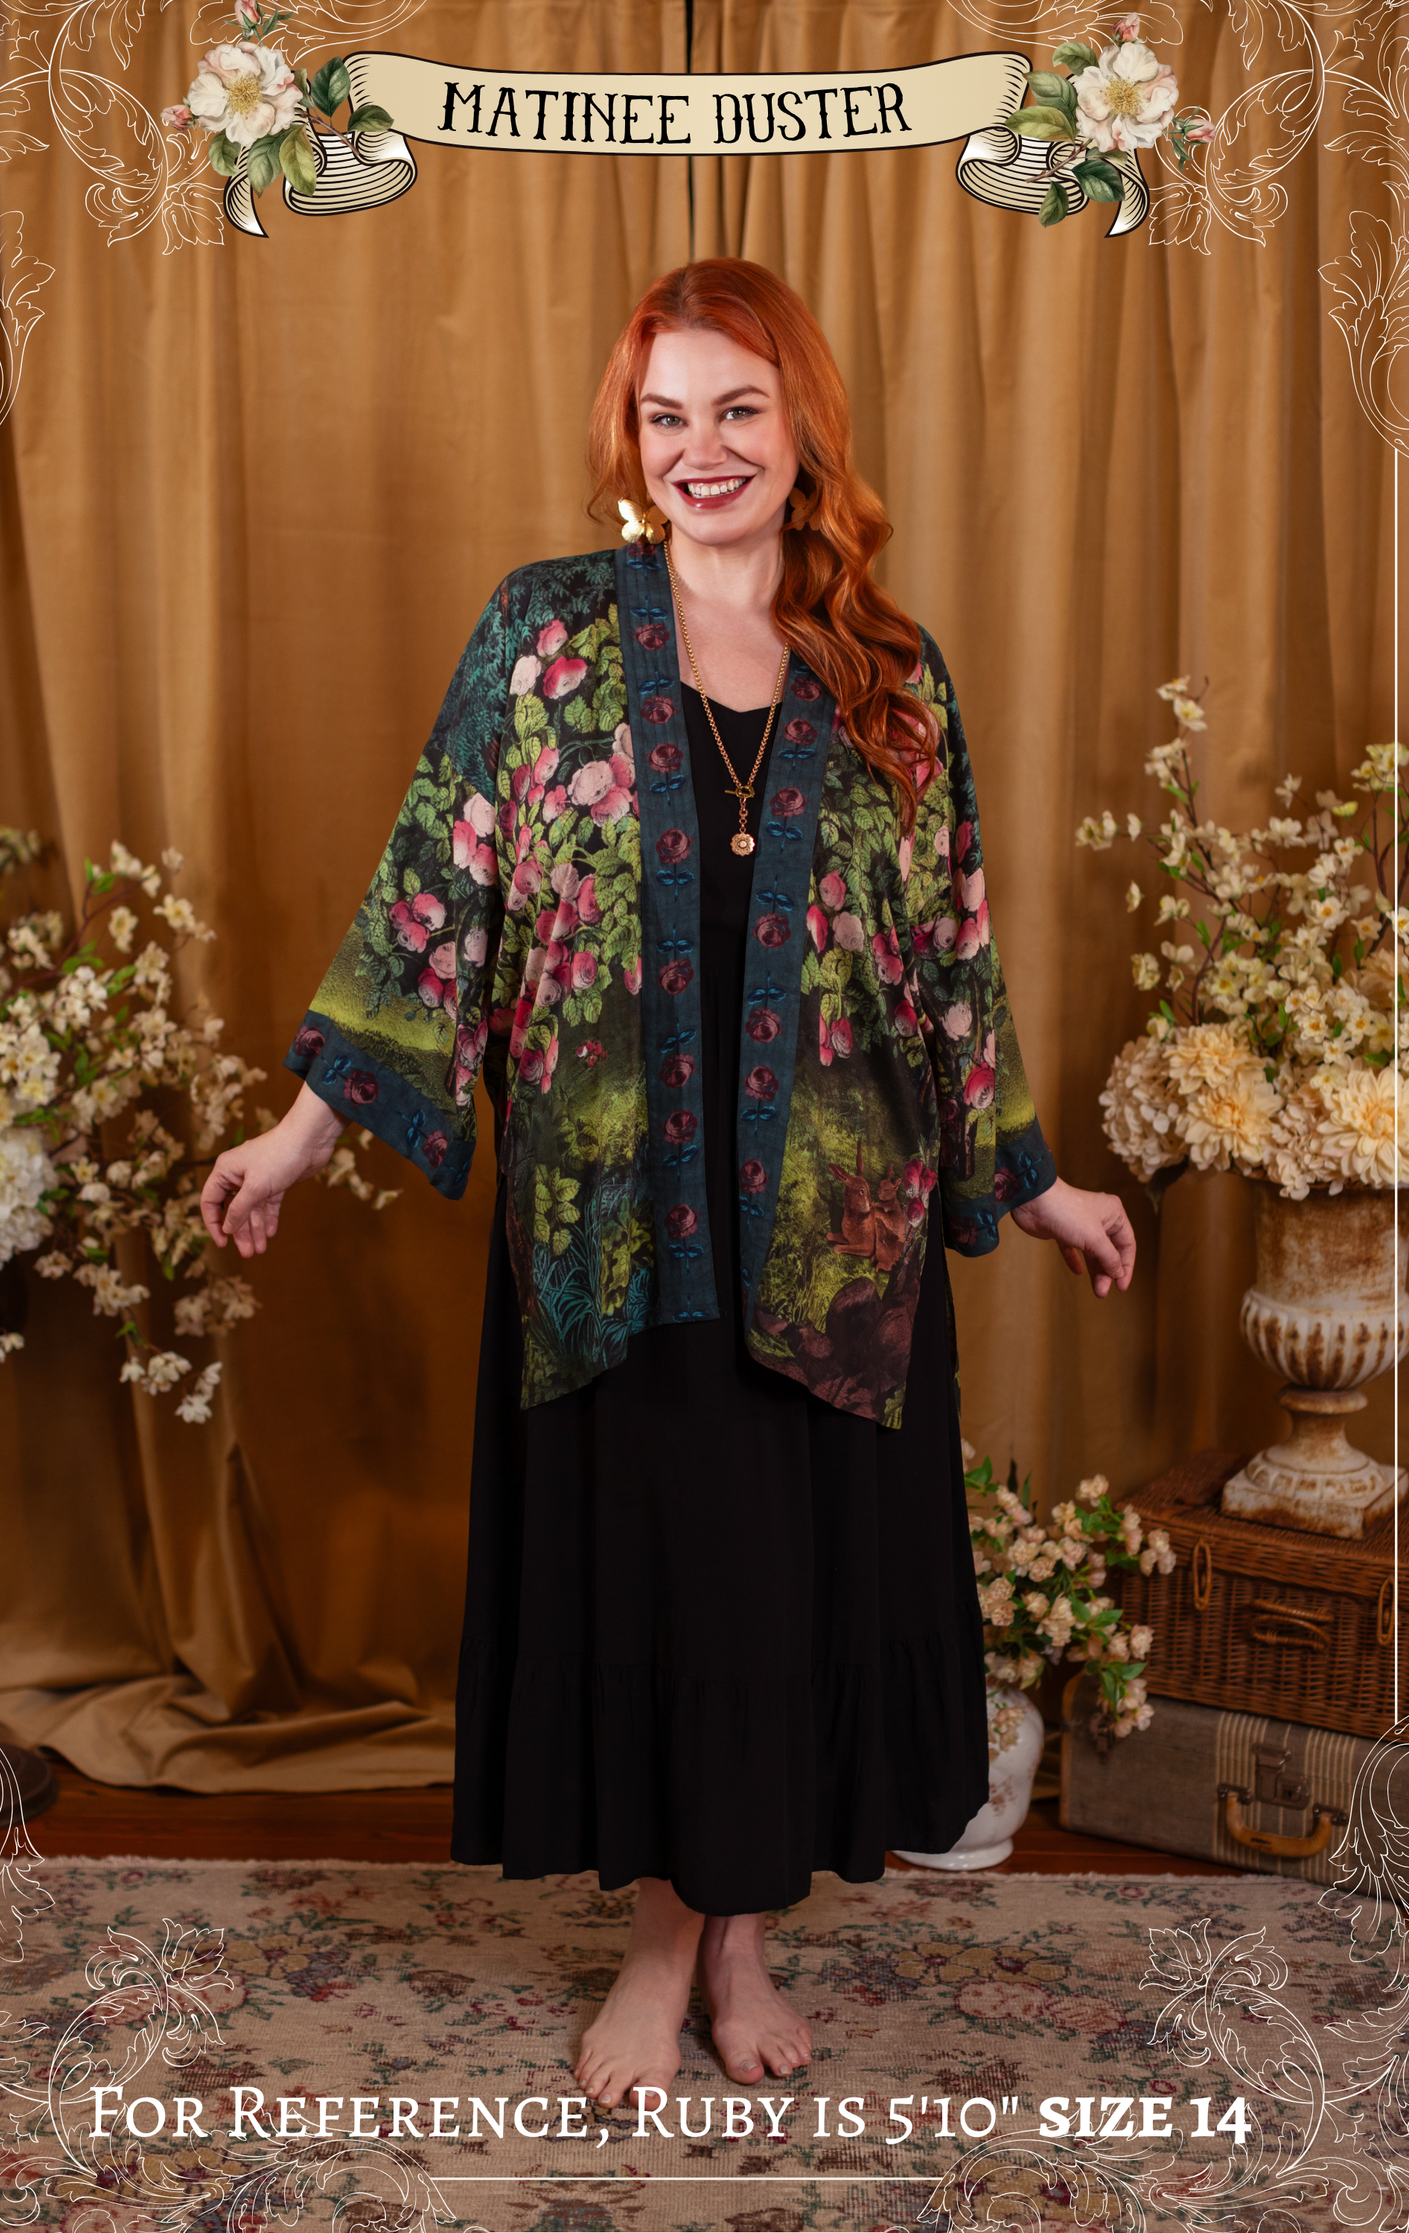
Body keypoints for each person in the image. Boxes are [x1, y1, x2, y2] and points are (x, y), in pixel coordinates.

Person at [202, 258, 1135, 2116]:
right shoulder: (546, 635)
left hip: (840, 1228)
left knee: (780, 1587)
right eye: (664, 415)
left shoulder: (890, 674)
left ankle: (742, 1942)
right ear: (630, 442)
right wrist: (301, 1130)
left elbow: (951, 947)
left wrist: (1030, 1184)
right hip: (614, 1221)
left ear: (803, 432)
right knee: (662, 1578)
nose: (700, 449)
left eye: (737, 410)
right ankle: (657, 1944)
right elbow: (438, 887)